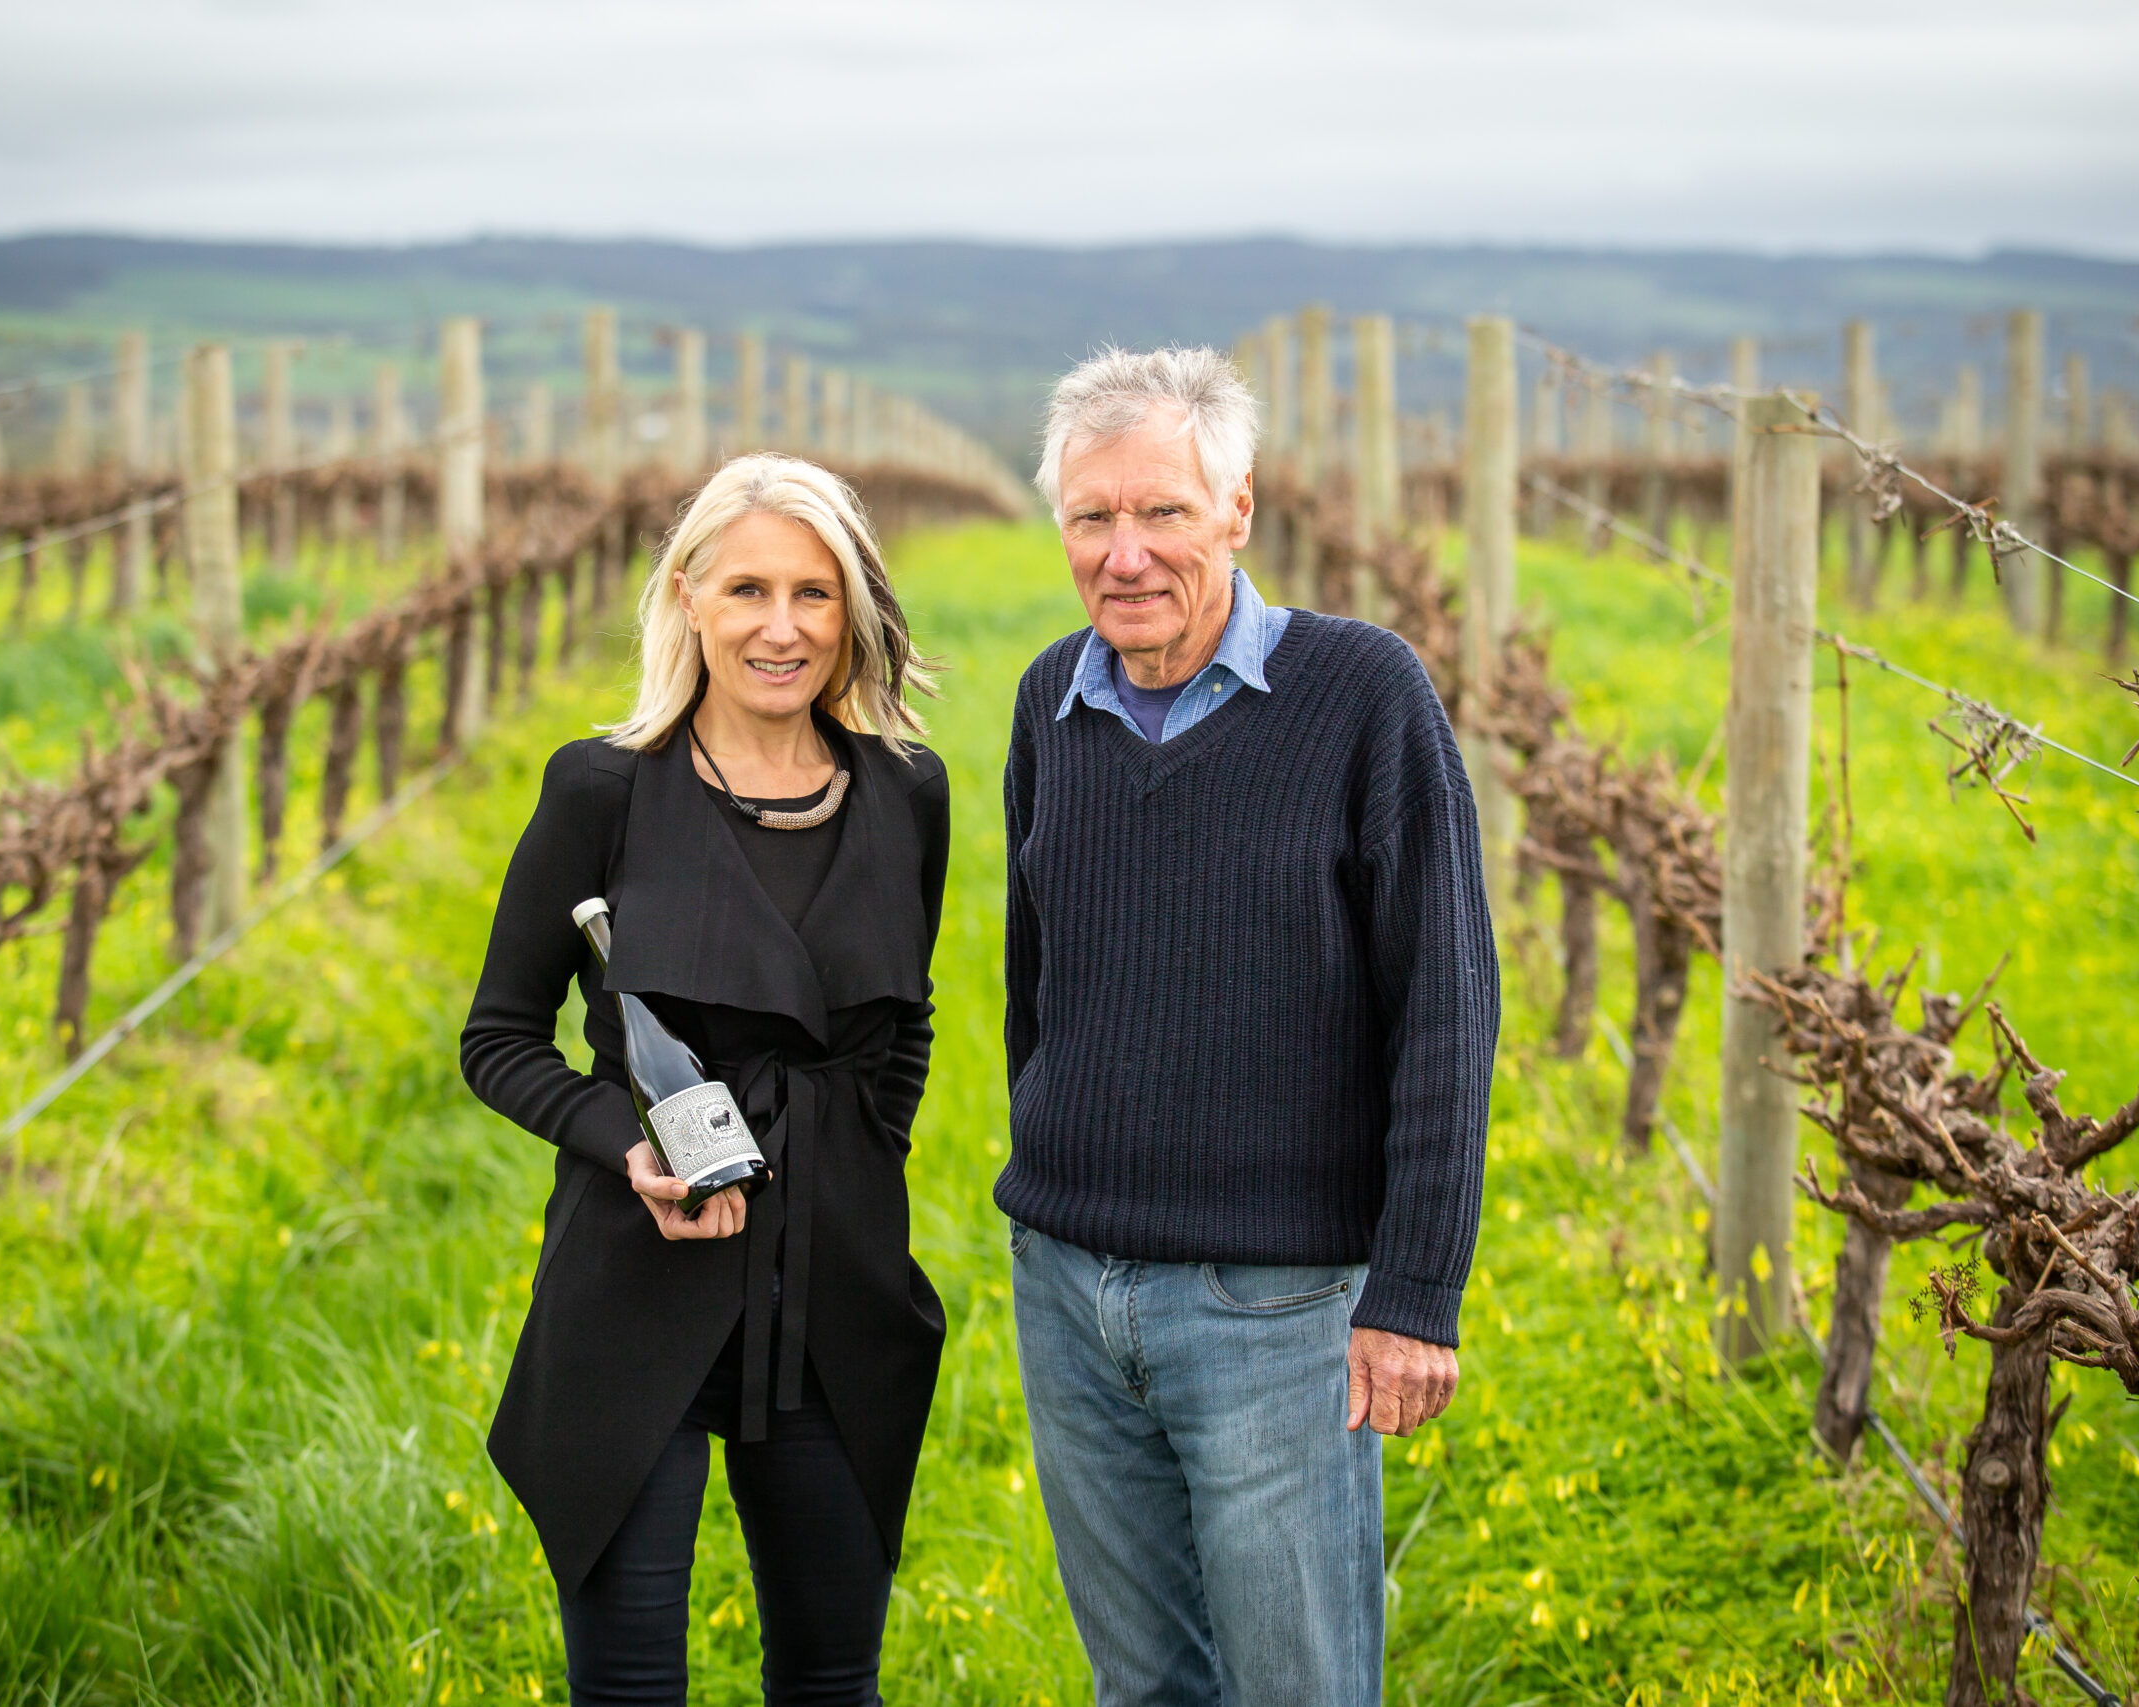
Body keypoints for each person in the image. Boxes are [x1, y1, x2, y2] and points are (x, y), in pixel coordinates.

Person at [998, 347, 1500, 1706]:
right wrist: (1050, 1181)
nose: (1126, 552)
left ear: (1238, 510)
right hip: (1068, 1288)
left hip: (1274, 1303)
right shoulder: (1052, 698)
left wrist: (1413, 1289)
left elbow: (1446, 1002)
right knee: (1143, 1684)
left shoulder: (1361, 695)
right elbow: (1033, 984)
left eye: (1162, 510)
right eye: (1092, 516)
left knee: (1299, 1684)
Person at [460, 454, 949, 1707]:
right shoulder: (603, 789)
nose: (779, 628)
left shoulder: (906, 793)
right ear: (687, 598)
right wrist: (618, 1145)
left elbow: (907, 1019)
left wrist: (855, 1162)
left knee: (833, 1683)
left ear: (853, 613)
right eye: (745, 590)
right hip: (638, 1283)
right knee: (628, 1688)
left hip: (835, 1288)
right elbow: (500, 1036)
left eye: (813, 594)